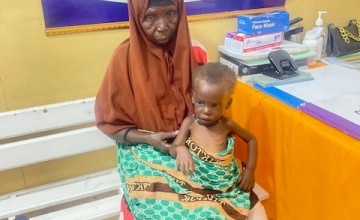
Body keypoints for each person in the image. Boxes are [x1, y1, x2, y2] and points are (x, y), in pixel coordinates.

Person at [95, 0, 266, 219]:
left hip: (195, 146)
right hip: (145, 148)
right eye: (150, 17)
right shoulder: (123, 58)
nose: (163, 25)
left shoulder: (195, 53)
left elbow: (213, 109)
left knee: (246, 207)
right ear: (137, 18)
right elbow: (110, 125)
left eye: (171, 14)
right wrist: (151, 139)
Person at [169, 62, 267, 219]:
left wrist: (250, 170)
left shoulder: (227, 125)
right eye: (201, 103)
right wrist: (181, 149)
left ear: (227, 103)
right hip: (196, 181)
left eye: (215, 105)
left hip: (226, 183)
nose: (206, 111)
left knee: (256, 210)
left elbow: (252, 140)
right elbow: (173, 148)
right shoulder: (190, 123)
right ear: (193, 97)